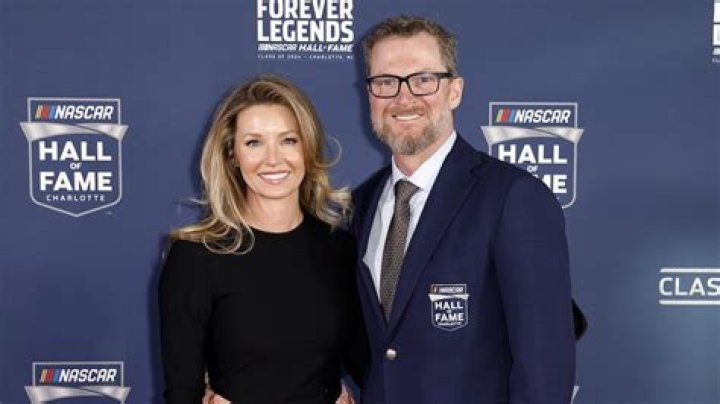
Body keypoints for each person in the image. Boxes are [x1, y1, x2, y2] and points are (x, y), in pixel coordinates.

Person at [350, 15, 576, 403]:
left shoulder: (513, 197)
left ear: (454, 91)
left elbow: (544, 369)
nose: (403, 98)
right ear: (369, 94)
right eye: (386, 82)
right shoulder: (361, 204)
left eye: (423, 80)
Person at [159, 75, 364, 404]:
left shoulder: (340, 249)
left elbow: (370, 362)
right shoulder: (195, 258)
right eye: (254, 142)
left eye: (288, 140)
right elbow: (182, 392)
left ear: (308, 148)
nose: (273, 159)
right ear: (232, 155)